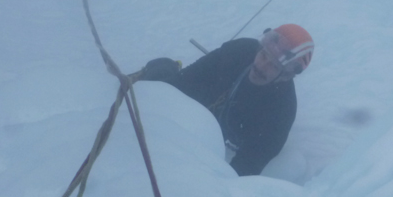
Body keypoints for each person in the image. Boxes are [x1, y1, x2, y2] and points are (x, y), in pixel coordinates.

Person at [133, 24, 314, 176]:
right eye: (264, 55)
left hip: (228, 135)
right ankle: (166, 66)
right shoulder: (238, 51)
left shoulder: (281, 113)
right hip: (203, 102)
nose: (261, 66)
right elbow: (186, 81)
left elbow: (245, 168)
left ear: (286, 76)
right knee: (160, 79)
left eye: (274, 66)